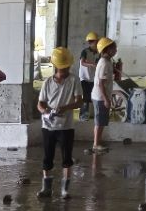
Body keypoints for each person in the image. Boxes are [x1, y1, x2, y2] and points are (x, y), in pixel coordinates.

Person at [36, 46, 86, 199]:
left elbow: (79, 102)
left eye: (67, 66)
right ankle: (46, 188)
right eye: (63, 67)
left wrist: (65, 107)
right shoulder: (47, 83)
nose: (65, 69)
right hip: (48, 126)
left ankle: (65, 190)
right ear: (56, 66)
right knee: (47, 158)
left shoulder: (74, 80)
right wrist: (46, 112)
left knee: (67, 158)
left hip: (66, 127)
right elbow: (40, 104)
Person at [89, 37, 118, 154]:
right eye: (114, 48)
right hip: (100, 97)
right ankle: (96, 144)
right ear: (107, 49)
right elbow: (100, 83)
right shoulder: (104, 63)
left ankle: (98, 142)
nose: (116, 50)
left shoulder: (107, 61)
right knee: (99, 122)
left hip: (102, 96)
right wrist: (106, 99)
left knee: (101, 121)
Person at [77, 32, 101, 120]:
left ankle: (90, 114)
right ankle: (83, 115)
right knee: (86, 97)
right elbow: (83, 62)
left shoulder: (98, 53)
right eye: (96, 42)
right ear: (90, 42)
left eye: (97, 41)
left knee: (93, 96)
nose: (97, 43)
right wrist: (92, 64)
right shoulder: (85, 52)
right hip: (84, 78)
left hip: (93, 78)